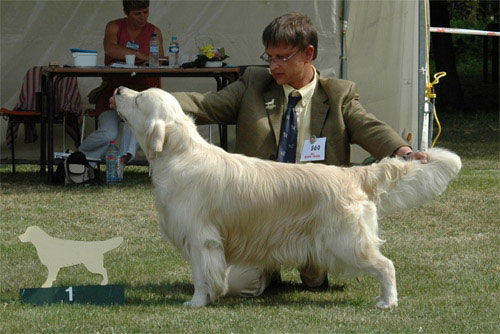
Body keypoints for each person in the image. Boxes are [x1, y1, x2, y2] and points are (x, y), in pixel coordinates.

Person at [111, 13, 428, 296]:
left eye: (282, 57)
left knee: (320, 274)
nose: (272, 65)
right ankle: (265, 270)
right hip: (255, 217)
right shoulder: (254, 84)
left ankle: (307, 267)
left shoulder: (338, 93)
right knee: (237, 286)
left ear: (308, 55)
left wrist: (402, 150)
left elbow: (367, 126)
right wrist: (149, 103)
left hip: (312, 208)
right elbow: (205, 104)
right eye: (269, 56)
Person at [79, 0, 164, 165]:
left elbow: (159, 60)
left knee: (135, 125)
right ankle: (79, 158)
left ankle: (122, 161)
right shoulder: (114, 27)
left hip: (140, 92)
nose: (142, 17)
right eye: (137, 13)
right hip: (112, 91)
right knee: (108, 133)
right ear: (126, 12)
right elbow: (110, 49)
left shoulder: (154, 31)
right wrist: (139, 55)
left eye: (145, 12)